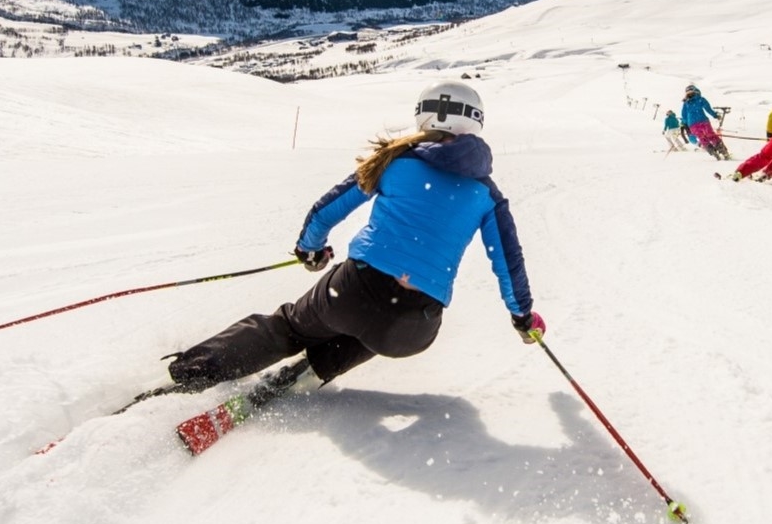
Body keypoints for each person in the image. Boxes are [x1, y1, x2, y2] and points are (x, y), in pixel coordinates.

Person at [166, 80, 544, 392]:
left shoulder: (395, 163)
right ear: (475, 123)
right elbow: (509, 267)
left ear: (423, 114)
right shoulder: (488, 195)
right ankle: (313, 369)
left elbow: (327, 210)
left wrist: (310, 250)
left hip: (352, 292)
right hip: (415, 328)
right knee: (371, 331)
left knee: (290, 326)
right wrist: (523, 318)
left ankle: (192, 373)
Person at [680, 82, 731, 160]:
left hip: (693, 125)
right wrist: (715, 115)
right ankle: (723, 151)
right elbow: (708, 109)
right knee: (711, 135)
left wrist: (684, 125)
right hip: (703, 121)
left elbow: (684, 115)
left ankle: (712, 151)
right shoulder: (700, 99)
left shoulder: (686, 103)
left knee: (702, 138)